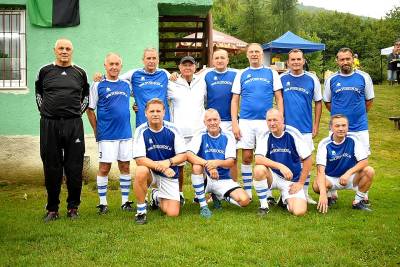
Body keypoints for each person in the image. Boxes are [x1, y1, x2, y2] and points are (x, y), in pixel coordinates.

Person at [35, 38, 89, 222]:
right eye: (61, 48)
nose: (64, 51)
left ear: (72, 51)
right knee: (51, 166)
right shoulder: (44, 72)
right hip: (50, 124)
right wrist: (47, 114)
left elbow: (86, 98)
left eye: (67, 48)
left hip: (74, 124)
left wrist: (74, 114)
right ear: (55, 50)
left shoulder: (80, 73)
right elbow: (39, 96)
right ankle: (52, 209)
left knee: (74, 167)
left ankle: (73, 208)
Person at [231, 43, 283, 201]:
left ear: (262, 54)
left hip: (266, 123)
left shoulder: (271, 73)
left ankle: (267, 193)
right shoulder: (241, 74)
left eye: (257, 52)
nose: (254, 54)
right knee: (246, 157)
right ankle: (248, 191)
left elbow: (279, 98)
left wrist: (280, 119)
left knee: (266, 157)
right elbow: (234, 100)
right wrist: (235, 123)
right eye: (251, 52)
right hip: (246, 121)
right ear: (247, 55)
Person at [324, 47, 374, 203]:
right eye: (342, 59)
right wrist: (339, 120)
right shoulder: (331, 79)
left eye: (348, 59)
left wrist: (356, 116)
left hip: (359, 127)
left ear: (353, 59)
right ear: (337, 61)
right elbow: (328, 102)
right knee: (332, 158)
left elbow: (369, 101)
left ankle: (362, 194)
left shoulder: (364, 77)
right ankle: (332, 192)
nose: (345, 62)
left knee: (362, 159)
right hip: (337, 128)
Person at [87, 53, 133, 214]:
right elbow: (90, 109)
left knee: (125, 166)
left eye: (117, 64)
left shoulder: (126, 84)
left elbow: (138, 99)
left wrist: (137, 107)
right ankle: (102, 203)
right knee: (105, 167)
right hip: (106, 134)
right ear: (105, 66)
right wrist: (96, 130)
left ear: (121, 66)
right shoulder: (97, 84)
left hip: (126, 134)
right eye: (111, 64)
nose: (114, 67)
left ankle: (125, 201)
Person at [187, 109, 250, 218]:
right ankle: (203, 206)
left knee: (245, 201)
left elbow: (231, 162)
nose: (212, 123)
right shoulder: (200, 134)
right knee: (196, 167)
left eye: (215, 119)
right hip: (205, 177)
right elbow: (189, 154)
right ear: (204, 122)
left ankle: (219, 196)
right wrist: (209, 166)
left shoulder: (228, 135)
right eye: (209, 120)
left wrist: (216, 163)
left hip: (223, 179)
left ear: (220, 120)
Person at [132, 98, 187, 224]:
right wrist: (162, 167)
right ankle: (141, 211)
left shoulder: (173, 129)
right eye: (152, 111)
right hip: (151, 173)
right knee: (140, 171)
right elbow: (140, 160)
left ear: (164, 113)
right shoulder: (140, 130)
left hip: (169, 173)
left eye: (158, 111)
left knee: (172, 213)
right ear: (146, 113)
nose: (155, 114)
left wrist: (168, 162)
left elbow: (183, 155)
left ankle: (155, 196)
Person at [280, 48, 322, 205]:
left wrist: (316, 125)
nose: (296, 62)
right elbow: (278, 100)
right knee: (286, 161)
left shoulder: (312, 79)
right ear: (288, 62)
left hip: (305, 128)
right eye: (293, 59)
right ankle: (284, 193)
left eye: (299, 59)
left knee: (305, 161)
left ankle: (304, 192)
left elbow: (318, 103)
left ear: (304, 61)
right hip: (286, 128)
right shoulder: (282, 78)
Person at [253, 109, 311, 216]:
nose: (272, 123)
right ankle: (264, 206)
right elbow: (258, 159)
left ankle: (283, 200)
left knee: (299, 212)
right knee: (259, 169)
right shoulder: (265, 134)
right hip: (273, 176)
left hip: (291, 179)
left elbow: (307, 158)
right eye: (269, 120)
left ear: (282, 120)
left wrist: (301, 183)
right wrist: (280, 166)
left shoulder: (293, 133)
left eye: (275, 120)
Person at [313, 114, 375, 213]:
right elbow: (320, 171)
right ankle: (328, 197)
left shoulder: (354, 139)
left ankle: (358, 202)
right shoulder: (324, 144)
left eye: (344, 125)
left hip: (350, 178)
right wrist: (322, 194)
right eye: (337, 126)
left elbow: (364, 161)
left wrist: (348, 173)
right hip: (331, 179)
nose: (341, 128)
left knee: (369, 171)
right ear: (331, 128)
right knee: (317, 185)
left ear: (347, 127)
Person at [168, 55, 207, 204]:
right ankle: (179, 194)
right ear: (179, 67)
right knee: (179, 166)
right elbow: (156, 97)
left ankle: (199, 195)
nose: (187, 68)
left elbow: (207, 100)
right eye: (184, 65)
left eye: (190, 65)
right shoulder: (172, 83)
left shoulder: (202, 82)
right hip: (179, 132)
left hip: (198, 131)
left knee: (198, 164)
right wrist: (137, 106)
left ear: (195, 67)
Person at [202, 49, 239, 180]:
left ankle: (233, 185)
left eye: (222, 58)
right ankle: (208, 187)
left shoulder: (236, 74)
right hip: (211, 121)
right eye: (216, 58)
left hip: (230, 121)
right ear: (212, 60)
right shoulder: (206, 75)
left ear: (228, 60)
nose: (219, 60)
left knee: (232, 155)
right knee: (208, 154)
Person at [120, 48, 171, 127]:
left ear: (158, 60)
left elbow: (177, 87)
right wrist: (101, 77)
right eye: (148, 58)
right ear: (143, 60)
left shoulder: (164, 73)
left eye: (154, 58)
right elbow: (116, 80)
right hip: (143, 122)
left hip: (163, 121)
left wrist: (176, 74)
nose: (151, 61)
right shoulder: (135, 74)